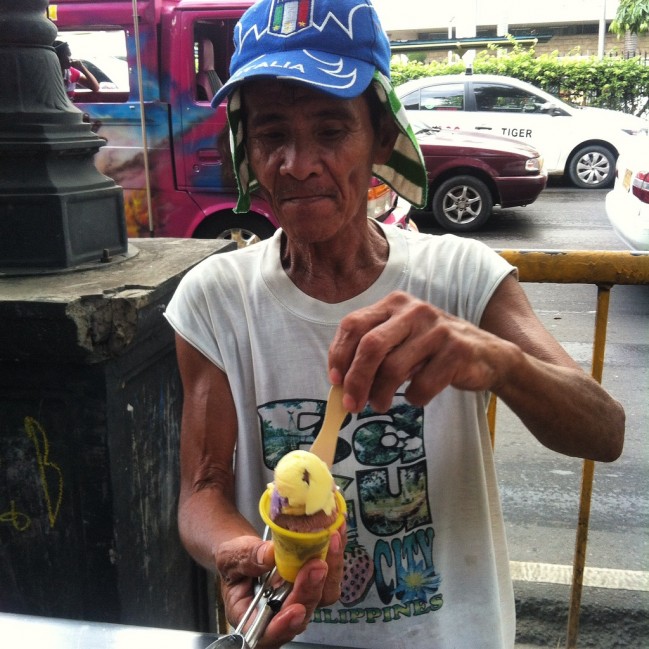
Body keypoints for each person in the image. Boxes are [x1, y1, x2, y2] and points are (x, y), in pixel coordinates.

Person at [164, 1, 625, 647]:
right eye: (272, 135)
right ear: (248, 146)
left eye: (330, 131)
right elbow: (201, 489)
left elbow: (602, 431)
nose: (297, 164)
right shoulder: (214, 298)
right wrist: (241, 551)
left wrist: (498, 359)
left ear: (382, 134)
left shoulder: (461, 275)